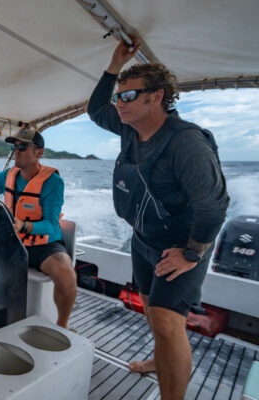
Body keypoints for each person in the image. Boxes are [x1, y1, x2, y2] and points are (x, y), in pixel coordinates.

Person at [87, 38, 229, 400]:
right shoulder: (129, 130)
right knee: (152, 311)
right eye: (119, 97)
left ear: (156, 96)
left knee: (168, 322)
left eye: (129, 96)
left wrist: (192, 254)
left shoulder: (186, 143)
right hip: (144, 239)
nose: (119, 103)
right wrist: (114, 66)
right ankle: (157, 358)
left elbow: (213, 206)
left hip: (182, 246)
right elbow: (94, 109)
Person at [0, 128, 76, 328]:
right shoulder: (7, 176)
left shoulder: (53, 182)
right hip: (14, 243)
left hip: (45, 246)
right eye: (15, 146)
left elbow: (51, 225)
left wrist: (22, 225)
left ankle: (62, 326)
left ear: (39, 153)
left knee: (66, 275)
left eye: (23, 146)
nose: (17, 151)